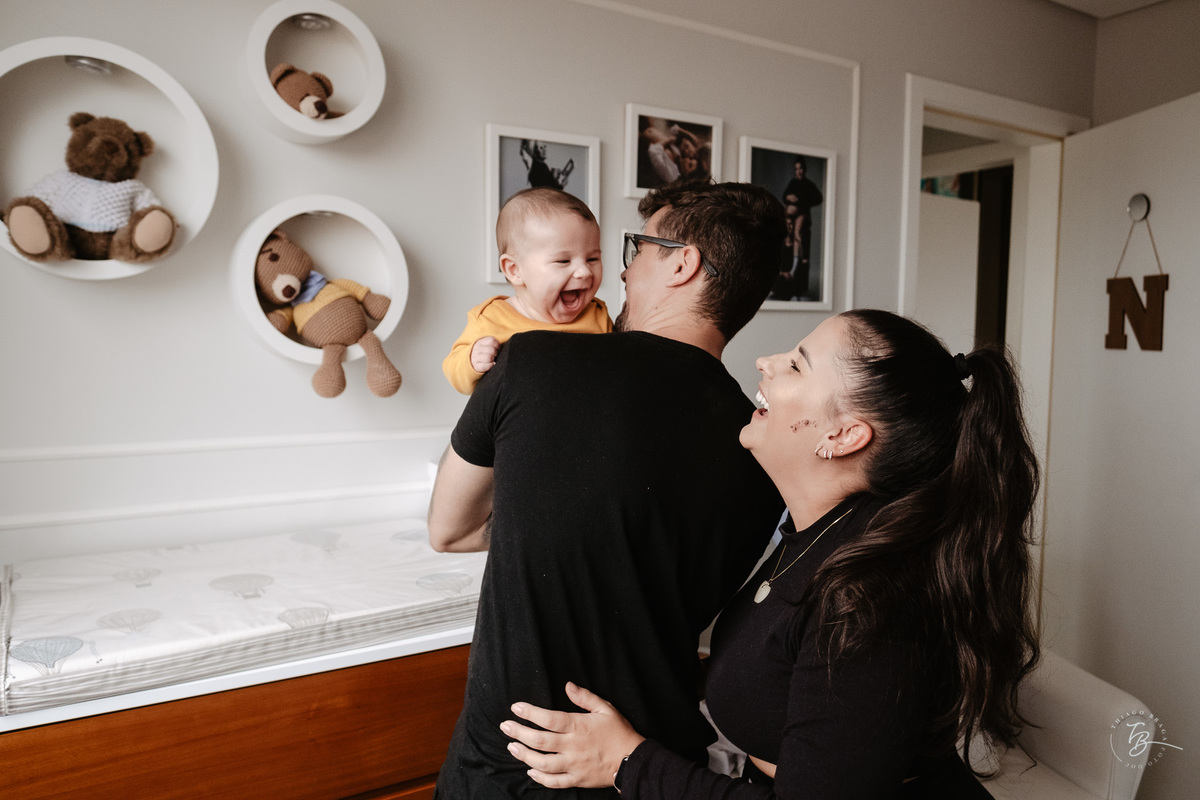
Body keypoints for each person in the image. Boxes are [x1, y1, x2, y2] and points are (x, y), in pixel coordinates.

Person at [501, 309, 1041, 799]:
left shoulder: (871, 601)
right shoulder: (823, 534)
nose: (765, 362)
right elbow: (784, 671)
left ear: (845, 433)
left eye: (797, 366)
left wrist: (626, 762)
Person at [428, 181, 790, 799]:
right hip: (658, 765)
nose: (618, 270)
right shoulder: (764, 450)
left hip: (518, 767)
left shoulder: (532, 362)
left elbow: (450, 529)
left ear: (683, 262)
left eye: (637, 248)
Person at [442, 187, 612, 394]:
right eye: (563, 260)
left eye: (592, 258)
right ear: (515, 270)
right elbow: (453, 371)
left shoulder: (597, 315)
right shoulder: (492, 318)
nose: (584, 271)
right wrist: (471, 359)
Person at [771, 156, 824, 301]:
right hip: (791, 216)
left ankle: (795, 273)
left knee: (798, 237)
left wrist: (800, 201)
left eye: (801, 168)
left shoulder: (809, 185)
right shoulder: (793, 182)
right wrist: (789, 198)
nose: (798, 171)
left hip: (801, 216)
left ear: (804, 169)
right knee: (787, 240)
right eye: (796, 169)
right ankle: (786, 276)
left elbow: (818, 199)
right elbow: (785, 196)